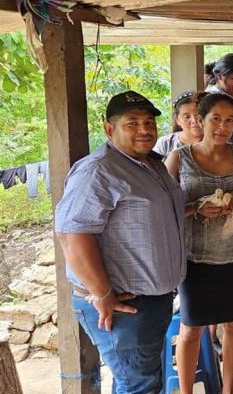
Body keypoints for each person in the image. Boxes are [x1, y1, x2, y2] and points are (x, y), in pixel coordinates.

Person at [55, 90, 185, 394]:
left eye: (149, 122)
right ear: (109, 128)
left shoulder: (152, 164)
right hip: (125, 303)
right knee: (139, 385)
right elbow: (72, 234)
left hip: (151, 299)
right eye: (133, 123)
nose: (144, 130)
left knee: (140, 380)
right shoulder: (98, 170)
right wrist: (102, 293)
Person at [165, 93, 233, 394]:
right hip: (195, 259)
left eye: (228, 120)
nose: (223, 126)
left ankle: (228, 388)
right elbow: (162, 208)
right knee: (190, 329)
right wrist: (195, 208)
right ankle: (186, 391)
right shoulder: (179, 158)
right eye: (216, 119)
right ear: (200, 120)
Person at [153, 90, 203, 157]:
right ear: (177, 120)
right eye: (187, 117)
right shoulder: (165, 143)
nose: (194, 120)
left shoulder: (217, 143)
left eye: (198, 115)